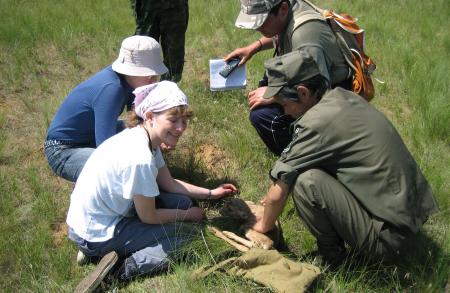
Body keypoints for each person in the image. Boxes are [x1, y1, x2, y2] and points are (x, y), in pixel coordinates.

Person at [251, 50, 438, 265]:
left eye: (284, 104)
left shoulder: (316, 123)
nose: (285, 112)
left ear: (303, 92)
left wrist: (262, 226)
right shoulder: (345, 97)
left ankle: (335, 261)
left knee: (307, 183)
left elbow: (278, 193)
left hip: (389, 240)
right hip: (411, 219)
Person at [67, 81, 238, 291]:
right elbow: (148, 216)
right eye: (173, 119)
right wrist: (190, 216)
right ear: (149, 116)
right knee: (188, 238)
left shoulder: (144, 138)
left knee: (183, 202)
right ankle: (118, 271)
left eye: (184, 120)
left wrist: (211, 193)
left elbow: (169, 183)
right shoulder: (140, 158)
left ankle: (105, 250)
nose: (181, 128)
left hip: (96, 217)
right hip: (97, 231)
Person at [226, 0, 351, 155]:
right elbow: (281, 31)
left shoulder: (307, 38)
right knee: (268, 82)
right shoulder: (289, 7)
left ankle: (306, 157)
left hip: (336, 96)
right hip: (317, 81)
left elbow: (317, 93)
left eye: (262, 22)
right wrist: (253, 48)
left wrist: (276, 96)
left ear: (283, 8)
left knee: (263, 115)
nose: (258, 28)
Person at [44, 36, 168, 182]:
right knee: (116, 169)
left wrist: (156, 137)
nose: (152, 80)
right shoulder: (111, 89)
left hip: (89, 136)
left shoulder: (130, 81)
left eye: (155, 75)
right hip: (63, 150)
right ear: (131, 70)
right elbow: (105, 148)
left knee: (140, 133)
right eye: (147, 74)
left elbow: (136, 118)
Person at [130, 0, 189, 82]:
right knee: (143, 51)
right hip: (147, 6)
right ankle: (142, 90)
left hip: (175, 5)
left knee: (174, 56)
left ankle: (169, 89)